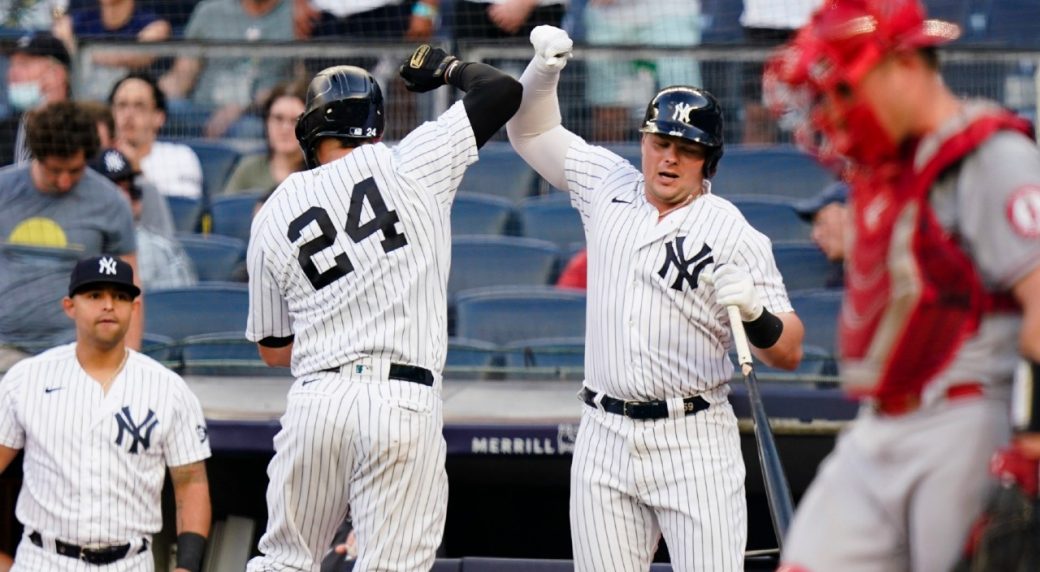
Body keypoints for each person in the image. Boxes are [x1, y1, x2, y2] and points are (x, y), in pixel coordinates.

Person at [507, 25, 805, 571]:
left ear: (708, 160)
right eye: (661, 143)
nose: (669, 159)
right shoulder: (608, 183)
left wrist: (756, 315)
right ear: (644, 141)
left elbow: (788, 351)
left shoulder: (733, 233)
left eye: (686, 150)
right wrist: (542, 72)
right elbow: (531, 132)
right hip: (603, 431)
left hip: (693, 437)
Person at [762, 0, 1040, 570]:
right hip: (880, 424)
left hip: (963, 420)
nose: (834, 112)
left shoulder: (990, 154)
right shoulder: (886, 167)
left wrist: (1031, 447)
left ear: (905, 65)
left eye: (844, 90)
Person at [244, 46, 522, 571]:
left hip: (317, 401)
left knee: (284, 561)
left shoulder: (274, 208)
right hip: (401, 400)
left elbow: (273, 350)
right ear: (375, 125)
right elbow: (503, 90)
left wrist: (337, 323)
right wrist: (445, 68)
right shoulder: (410, 160)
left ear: (310, 129)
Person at [0, 255, 211, 572]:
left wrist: (187, 566)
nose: (109, 305)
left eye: (120, 296)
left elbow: (192, 483)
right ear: (70, 306)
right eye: (95, 295)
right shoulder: (27, 378)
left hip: (130, 561)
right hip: (43, 559)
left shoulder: (169, 388)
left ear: (134, 308)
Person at [0, 100, 141, 373]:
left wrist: (128, 366)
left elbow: (131, 285)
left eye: (75, 170)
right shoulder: (3, 191)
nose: (64, 181)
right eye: (54, 171)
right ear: (37, 157)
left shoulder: (110, 202)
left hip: (80, 353)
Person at [158, 0, 293, 139]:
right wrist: (153, 93)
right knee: (167, 110)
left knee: (250, 130)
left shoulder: (297, 13)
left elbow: (297, 83)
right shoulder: (210, 10)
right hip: (201, 110)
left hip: (255, 114)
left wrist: (243, 107)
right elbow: (182, 76)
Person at [583, 0, 701, 142]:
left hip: (671, 11)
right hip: (610, 14)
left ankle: (681, 151)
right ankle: (611, 154)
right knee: (608, 106)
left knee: (681, 98)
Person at [94, 147, 198, 290]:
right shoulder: (74, 249)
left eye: (129, 189)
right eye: (113, 191)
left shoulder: (162, 251)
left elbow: (178, 303)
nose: (124, 198)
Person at [82, 99, 177, 239]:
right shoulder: (57, 190)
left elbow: (164, 248)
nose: (81, 156)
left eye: (93, 147)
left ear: (114, 145)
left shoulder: (141, 191)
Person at [109, 71, 204, 200]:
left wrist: (136, 170)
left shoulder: (180, 157)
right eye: (122, 105)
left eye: (139, 106)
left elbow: (182, 208)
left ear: (159, 117)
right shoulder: (100, 159)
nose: (128, 114)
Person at [52, 0, 172, 101]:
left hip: (131, 103)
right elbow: (59, 33)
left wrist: (76, 48)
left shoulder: (154, 25)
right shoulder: (77, 21)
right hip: (83, 101)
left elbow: (139, 56)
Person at [222, 80, 308, 195]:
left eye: (295, 120)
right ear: (266, 122)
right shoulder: (249, 169)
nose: (285, 128)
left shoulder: (318, 172)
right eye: (278, 118)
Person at [0, 31, 71, 166]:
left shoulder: (81, 127)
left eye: (24, 65)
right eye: (12, 65)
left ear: (56, 74)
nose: (12, 74)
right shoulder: (5, 131)